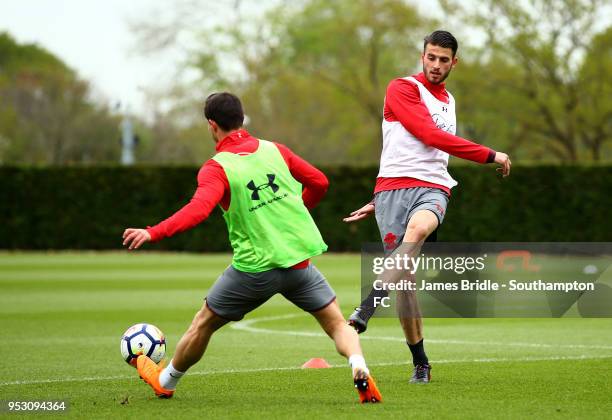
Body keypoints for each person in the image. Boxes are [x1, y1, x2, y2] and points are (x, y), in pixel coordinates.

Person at [122, 92, 382, 403]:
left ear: (212, 125)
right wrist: (295, 212)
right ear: (241, 118)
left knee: (203, 323)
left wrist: (153, 233)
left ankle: (166, 380)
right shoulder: (276, 150)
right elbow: (320, 182)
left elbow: (199, 209)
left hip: (254, 271)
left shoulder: (217, 167)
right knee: (338, 324)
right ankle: (359, 365)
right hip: (299, 266)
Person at [343, 30, 511, 384]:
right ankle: (421, 361)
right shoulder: (402, 88)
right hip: (391, 191)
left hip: (434, 188)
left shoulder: (448, 100)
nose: (436, 65)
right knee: (406, 285)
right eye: (431, 57)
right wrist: (489, 154)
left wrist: (487, 155)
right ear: (422, 56)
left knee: (419, 229)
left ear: (454, 62)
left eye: (444, 60)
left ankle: (367, 306)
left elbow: (434, 151)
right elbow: (427, 136)